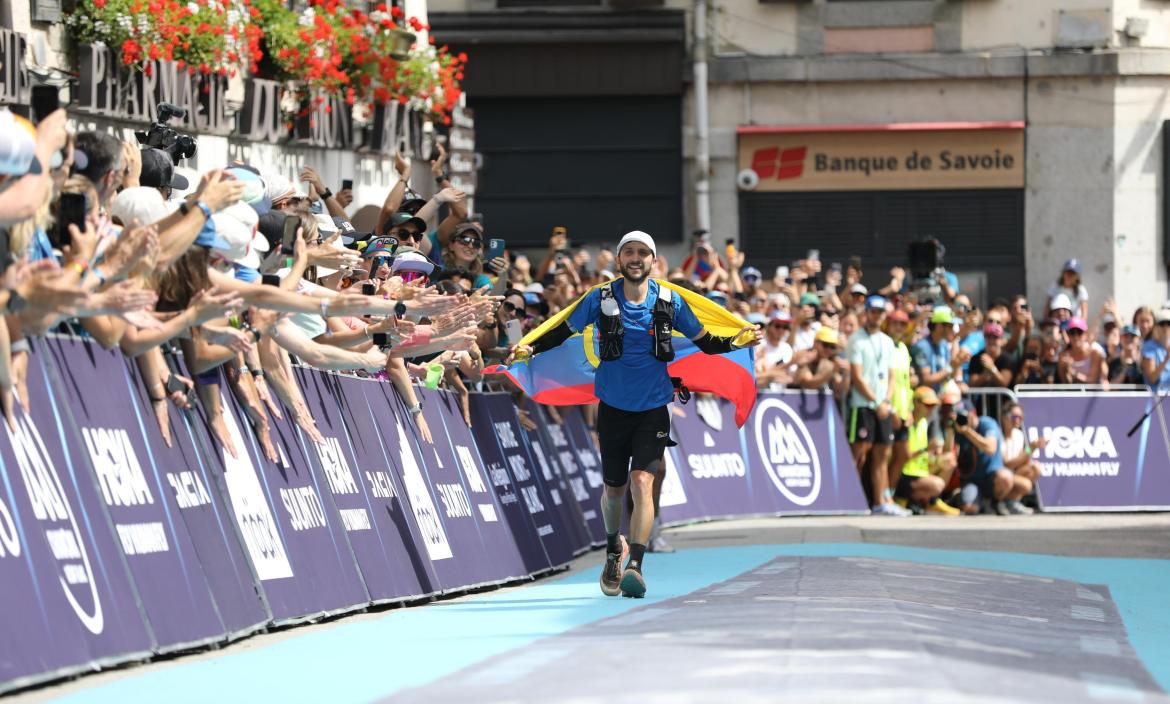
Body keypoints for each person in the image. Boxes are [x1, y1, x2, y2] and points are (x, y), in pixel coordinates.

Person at [508, 230, 760, 598]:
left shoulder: (670, 300)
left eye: (643, 252)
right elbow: (563, 329)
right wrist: (529, 347)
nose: (636, 258)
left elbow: (706, 342)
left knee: (643, 482)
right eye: (629, 252)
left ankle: (636, 566)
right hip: (611, 407)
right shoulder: (601, 298)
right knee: (614, 490)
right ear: (619, 259)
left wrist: (737, 341)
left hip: (654, 408)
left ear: (653, 260)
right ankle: (614, 548)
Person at [847, 295, 906, 515]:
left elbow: (892, 376)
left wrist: (887, 402)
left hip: (882, 405)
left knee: (883, 454)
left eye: (881, 312)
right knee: (859, 454)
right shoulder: (856, 339)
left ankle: (881, 501)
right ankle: (850, 498)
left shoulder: (887, 341)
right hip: (863, 405)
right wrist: (875, 401)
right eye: (873, 311)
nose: (877, 316)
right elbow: (858, 377)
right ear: (867, 313)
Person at [952, 400, 1032, 514]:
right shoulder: (958, 429)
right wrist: (951, 429)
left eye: (964, 415)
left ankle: (999, 502)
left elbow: (991, 449)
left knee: (1016, 479)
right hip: (973, 479)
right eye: (959, 415)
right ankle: (962, 497)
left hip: (993, 477)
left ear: (973, 413)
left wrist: (1030, 449)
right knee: (970, 509)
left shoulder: (987, 423)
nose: (962, 418)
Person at [892, 386, 959, 515]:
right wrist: (926, 449)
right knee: (937, 484)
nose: (931, 409)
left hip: (918, 471)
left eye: (933, 406)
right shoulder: (907, 424)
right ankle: (903, 498)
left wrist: (951, 433)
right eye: (928, 405)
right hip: (904, 474)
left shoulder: (924, 423)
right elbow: (904, 457)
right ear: (916, 403)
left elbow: (938, 453)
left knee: (949, 460)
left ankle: (930, 502)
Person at [1000, 402, 1047, 513]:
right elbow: (1008, 463)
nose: (1018, 420)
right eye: (1015, 417)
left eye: (1021, 417)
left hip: (1012, 473)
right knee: (1025, 484)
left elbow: (1021, 458)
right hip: (1000, 476)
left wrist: (1033, 447)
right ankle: (1001, 502)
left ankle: (1011, 502)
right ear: (1004, 417)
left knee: (1036, 467)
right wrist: (1031, 448)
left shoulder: (1018, 435)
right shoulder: (999, 434)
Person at [1058, 317, 1106, 385]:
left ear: (1086, 334)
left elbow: (1092, 381)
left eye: (1079, 332)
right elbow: (1066, 383)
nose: (1076, 336)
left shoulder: (1095, 353)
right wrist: (1065, 370)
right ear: (1068, 334)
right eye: (1072, 333)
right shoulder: (1063, 356)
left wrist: (1072, 371)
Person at [1141, 309, 1170, 392]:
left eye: (1168, 324)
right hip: (1154, 399)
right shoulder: (1148, 347)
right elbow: (1152, 379)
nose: (1165, 327)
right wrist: (1166, 359)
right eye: (1162, 324)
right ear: (1155, 326)